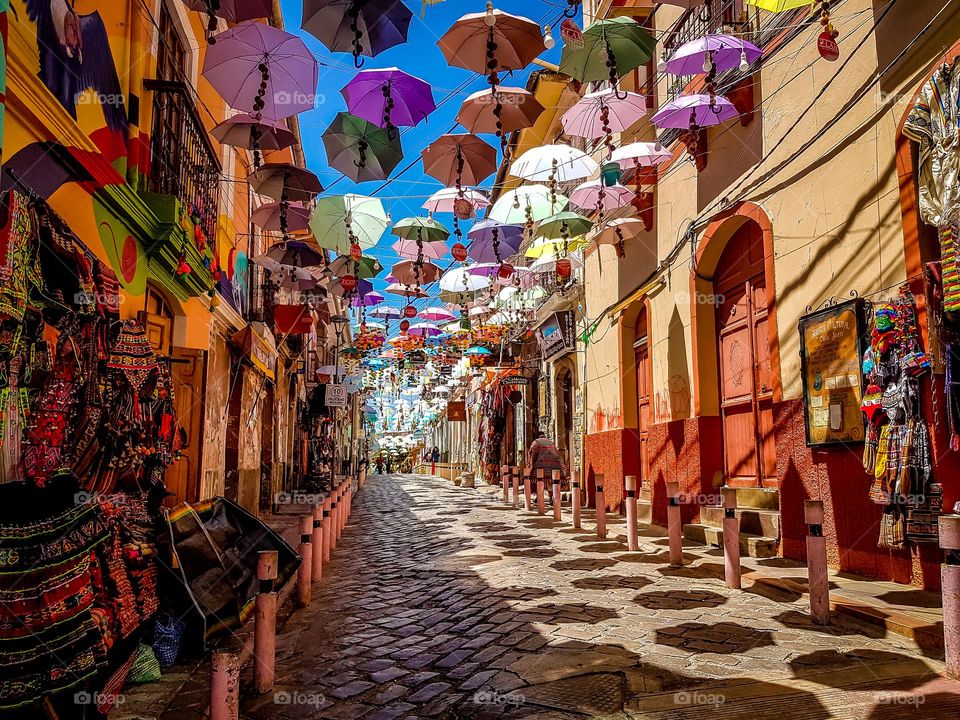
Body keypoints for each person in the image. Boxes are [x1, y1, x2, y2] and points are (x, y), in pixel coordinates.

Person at [526, 431, 566, 502]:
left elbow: (533, 455)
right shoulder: (551, 442)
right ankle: (551, 498)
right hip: (554, 465)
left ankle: (539, 497)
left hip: (541, 465)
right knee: (550, 482)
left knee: (539, 481)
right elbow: (557, 454)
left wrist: (531, 466)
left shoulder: (535, 442)